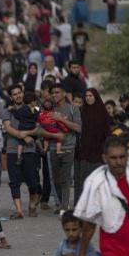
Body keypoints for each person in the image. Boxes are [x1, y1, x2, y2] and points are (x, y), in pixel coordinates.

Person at [2, 85, 41, 218]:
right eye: (15, 94)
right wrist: (22, 135)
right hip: (12, 150)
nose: (18, 96)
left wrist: (28, 133)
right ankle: (19, 210)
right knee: (14, 181)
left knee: (33, 180)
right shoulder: (7, 111)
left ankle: (32, 205)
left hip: (29, 149)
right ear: (11, 97)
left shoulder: (33, 107)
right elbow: (8, 128)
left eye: (19, 93)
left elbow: (39, 127)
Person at [48, 83, 82, 213]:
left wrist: (61, 119)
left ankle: (64, 207)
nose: (54, 95)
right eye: (53, 93)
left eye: (57, 92)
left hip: (68, 147)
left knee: (66, 178)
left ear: (64, 94)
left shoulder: (73, 109)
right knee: (56, 178)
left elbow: (78, 128)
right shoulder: (49, 110)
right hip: (52, 148)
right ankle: (62, 203)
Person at [74, 88, 112, 203]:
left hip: (98, 153)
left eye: (90, 95)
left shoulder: (103, 113)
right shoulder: (81, 112)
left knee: (96, 180)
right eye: (86, 96)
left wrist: (106, 152)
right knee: (81, 181)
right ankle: (80, 206)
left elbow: (107, 134)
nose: (88, 98)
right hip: (83, 153)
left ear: (95, 97)